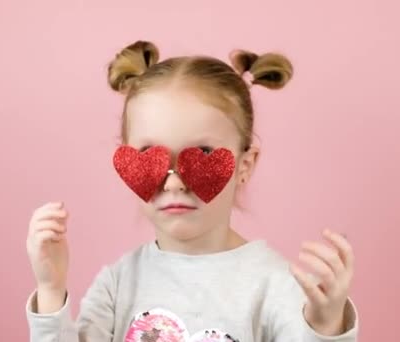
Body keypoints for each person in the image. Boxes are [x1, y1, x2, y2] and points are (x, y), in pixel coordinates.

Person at [25, 40, 359, 342]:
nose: (173, 183)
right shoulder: (117, 285)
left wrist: (325, 327)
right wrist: (51, 292)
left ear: (245, 165)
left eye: (201, 155)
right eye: (148, 157)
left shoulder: (275, 286)